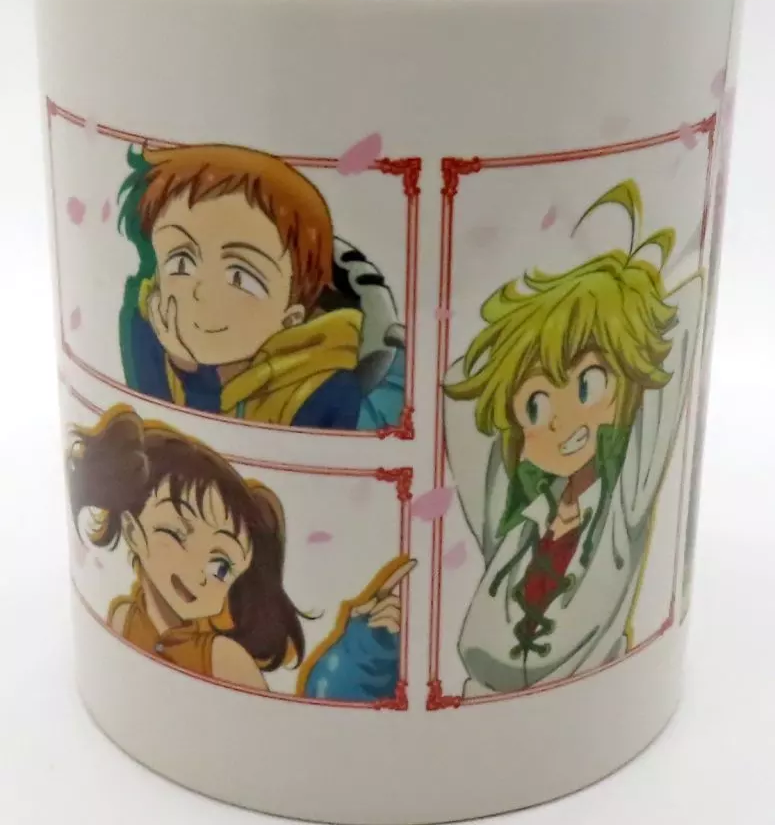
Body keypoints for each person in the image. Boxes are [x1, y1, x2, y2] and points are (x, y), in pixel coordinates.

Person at [444, 180, 702, 696]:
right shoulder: (510, 516)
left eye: (587, 385)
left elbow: (688, 308)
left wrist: (624, 296)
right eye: (536, 406)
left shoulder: (619, 505)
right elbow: (460, 392)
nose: (563, 423)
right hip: (477, 695)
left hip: (601, 697)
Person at [68, 405, 412, 699]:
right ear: (133, 532)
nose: (198, 572)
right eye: (176, 534)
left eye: (220, 566)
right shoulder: (123, 618)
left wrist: (360, 650)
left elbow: (281, 731)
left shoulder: (223, 657)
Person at [117, 143, 393, 429]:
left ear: (291, 319)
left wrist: (196, 380)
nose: (201, 290)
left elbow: (215, 446)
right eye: (182, 262)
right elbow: (157, 438)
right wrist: (183, 368)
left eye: (239, 277)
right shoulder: (148, 333)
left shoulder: (325, 392)